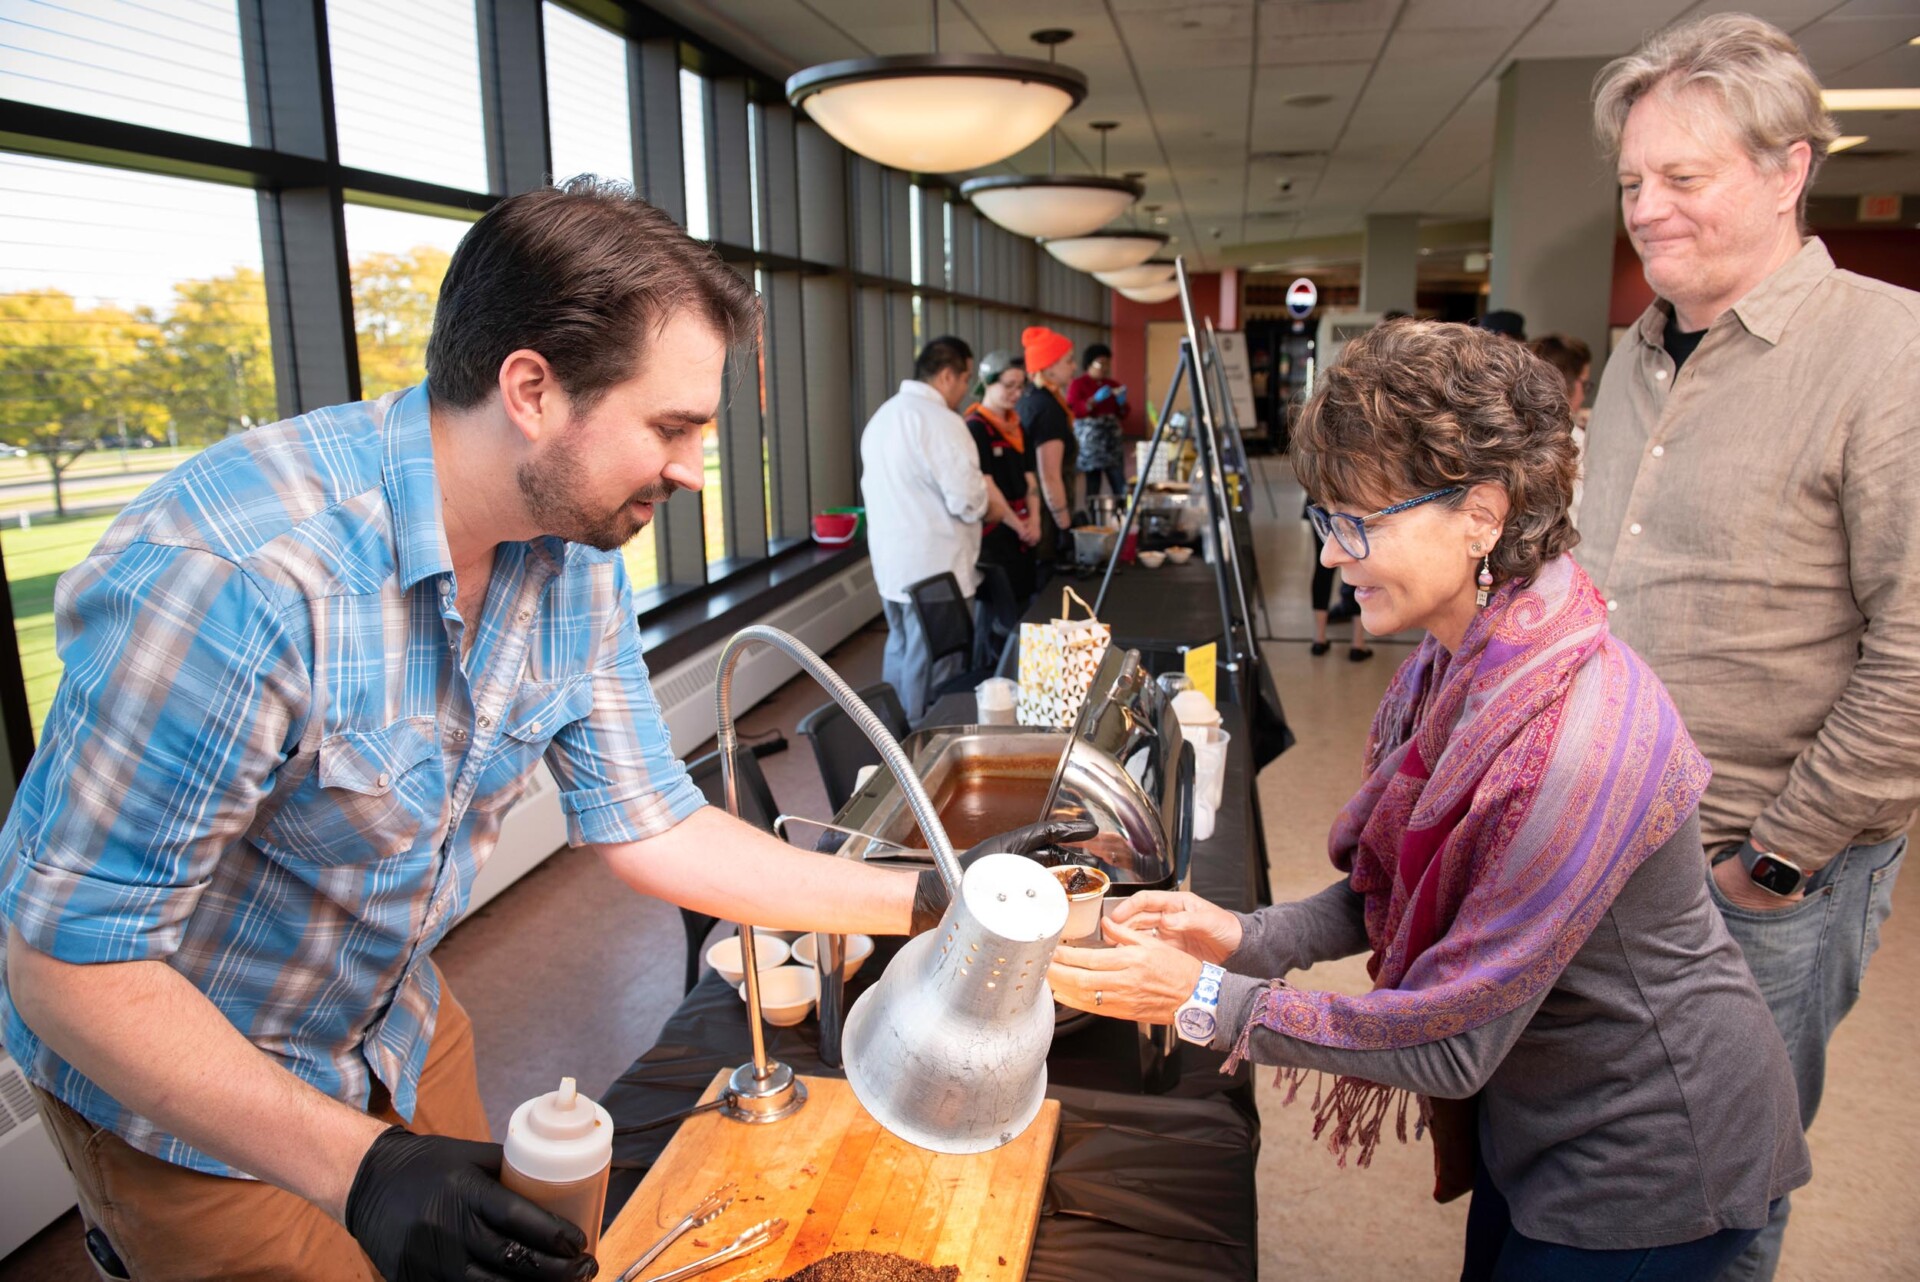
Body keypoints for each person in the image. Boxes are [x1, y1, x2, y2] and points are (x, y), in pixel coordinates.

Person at [0, 179, 1031, 1282]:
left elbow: (654, 822)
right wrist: (366, 1167)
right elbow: (67, 963)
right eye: (670, 426)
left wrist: (938, 901)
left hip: (393, 1022)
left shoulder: (571, 555)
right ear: (532, 389)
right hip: (194, 1106)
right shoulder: (239, 575)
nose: (692, 468)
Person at [1052, 321, 1808, 1282]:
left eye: (1356, 524)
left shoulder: (1571, 740)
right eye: (1324, 521)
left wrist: (1205, 997)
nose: (1330, 557)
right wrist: (1243, 938)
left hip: (1656, 1147)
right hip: (1542, 1112)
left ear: (1482, 514)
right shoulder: (1470, 659)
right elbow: (1394, 890)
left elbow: (1453, 1041)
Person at [1582, 17, 1918, 1278]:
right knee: (1602, 1146)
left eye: (1683, 178)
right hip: (1605, 839)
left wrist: (1773, 862)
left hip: (1758, 868)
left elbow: (1916, 652)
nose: (1647, 211)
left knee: (1713, 1186)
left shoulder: (1890, 352)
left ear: (1790, 169)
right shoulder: (1636, 355)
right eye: (1630, 183)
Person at [861, 334, 1015, 721]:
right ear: (947, 375)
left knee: (901, 648)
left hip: (892, 564)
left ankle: (890, 732)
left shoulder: (883, 416)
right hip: (934, 567)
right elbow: (966, 499)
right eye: (965, 379)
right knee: (935, 664)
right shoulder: (942, 422)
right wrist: (989, 501)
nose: (966, 390)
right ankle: (920, 739)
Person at [962, 350, 1041, 607]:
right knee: (997, 609)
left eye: (1020, 387)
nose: (1016, 394)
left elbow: (1031, 478)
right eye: (1009, 386)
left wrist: (1036, 521)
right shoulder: (976, 427)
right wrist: (1019, 526)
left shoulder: (1018, 427)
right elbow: (987, 483)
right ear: (987, 382)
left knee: (1023, 601)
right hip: (996, 532)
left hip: (1024, 529)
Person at [1017, 326, 1077, 563]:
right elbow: (1049, 476)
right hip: (1045, 516)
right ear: (1049, 366)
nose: (1074, 367)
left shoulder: (1031, 398)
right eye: (1069, 361)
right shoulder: (1048, 409)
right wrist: (1065, 527)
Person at [1526, 334, 1592, 523]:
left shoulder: (1509, 429)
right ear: (1567, 381)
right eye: (1585, 384)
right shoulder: (1576, 442)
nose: (1585, 394)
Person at [1066, 342, 1129, 498]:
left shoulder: (1113, 385)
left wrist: (1122, 404)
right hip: (1091, 444)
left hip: (1111, 443)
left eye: (1107, 363)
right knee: (1093, 483)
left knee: (1118, 481)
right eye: (1101, 363)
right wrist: (1093, 400)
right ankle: (1094, 516)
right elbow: (1073, 409)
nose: (1105, 367)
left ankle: (1121, 513)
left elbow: (1122, 414)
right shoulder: (1078, 384)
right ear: (1089, 363)